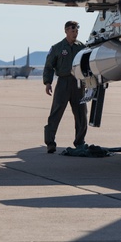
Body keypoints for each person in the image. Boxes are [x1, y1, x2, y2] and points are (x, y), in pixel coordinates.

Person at [42, 20, 88, 153]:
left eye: (77, 31)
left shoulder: (82, 48)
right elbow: (49, 66)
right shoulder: (57, 48)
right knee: (56, 113)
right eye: (72, 31)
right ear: (66, 31)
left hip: (78, 83)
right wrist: (48, 82)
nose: (75, 33)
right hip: (63, 83)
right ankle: (50, 142)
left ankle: (80, 141)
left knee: (81, 114)